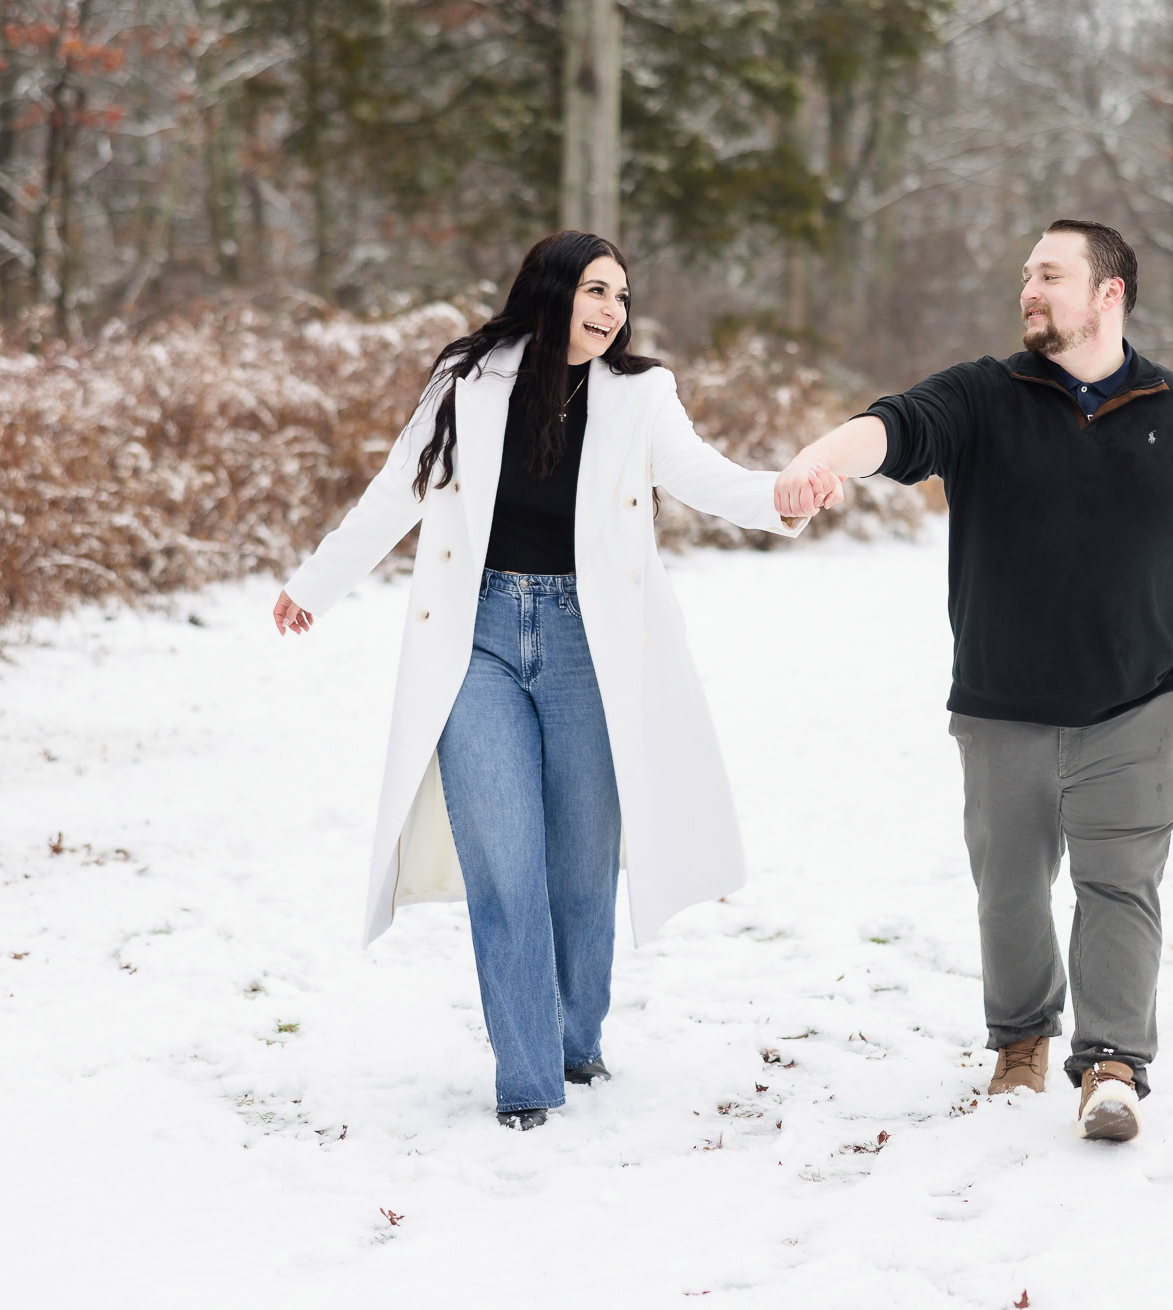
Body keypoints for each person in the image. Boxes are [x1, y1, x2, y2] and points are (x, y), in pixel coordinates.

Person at [272, 230, 832, 1130]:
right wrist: (315, 584)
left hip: (591, 647)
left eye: (622, 296)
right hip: (476, 639)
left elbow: (703, 477)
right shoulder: (467, 380)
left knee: (579, 868)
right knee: (504, 865)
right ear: (552, 289)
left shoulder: (642, 396)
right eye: (597, 291)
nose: (613, 311)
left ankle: (577, 1037)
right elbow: (396, 489)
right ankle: (528, 1079)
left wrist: (782, 498)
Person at [773, 219, 1173, 1142]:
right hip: (1002, 714)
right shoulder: (985, 398)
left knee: (1122, 888)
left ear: (1108, 292)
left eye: (1050, 275)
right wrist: (820, 460)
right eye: (1025, 275)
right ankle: (1021, 1042)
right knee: (1010, 893)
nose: (1029, 290)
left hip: (1138, 711)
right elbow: (897, 427)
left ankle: (1113, 1063)